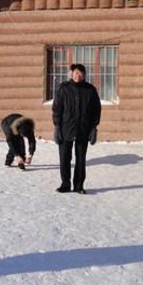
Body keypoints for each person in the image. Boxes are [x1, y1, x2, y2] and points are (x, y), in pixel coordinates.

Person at [52, 63, 101, 194]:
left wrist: (93, 128)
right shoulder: (63, 89)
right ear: (71, 74)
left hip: (83, 130)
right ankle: (65, 184)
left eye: (80, 73)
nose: (77, 76)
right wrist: (57, 127)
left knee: (80, 159)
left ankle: (79, 186)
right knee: (64, 158)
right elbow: (57, 109)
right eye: (75, 73)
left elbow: (96, 110)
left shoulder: (90, 90)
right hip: (65, 128)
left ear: (84, 75)